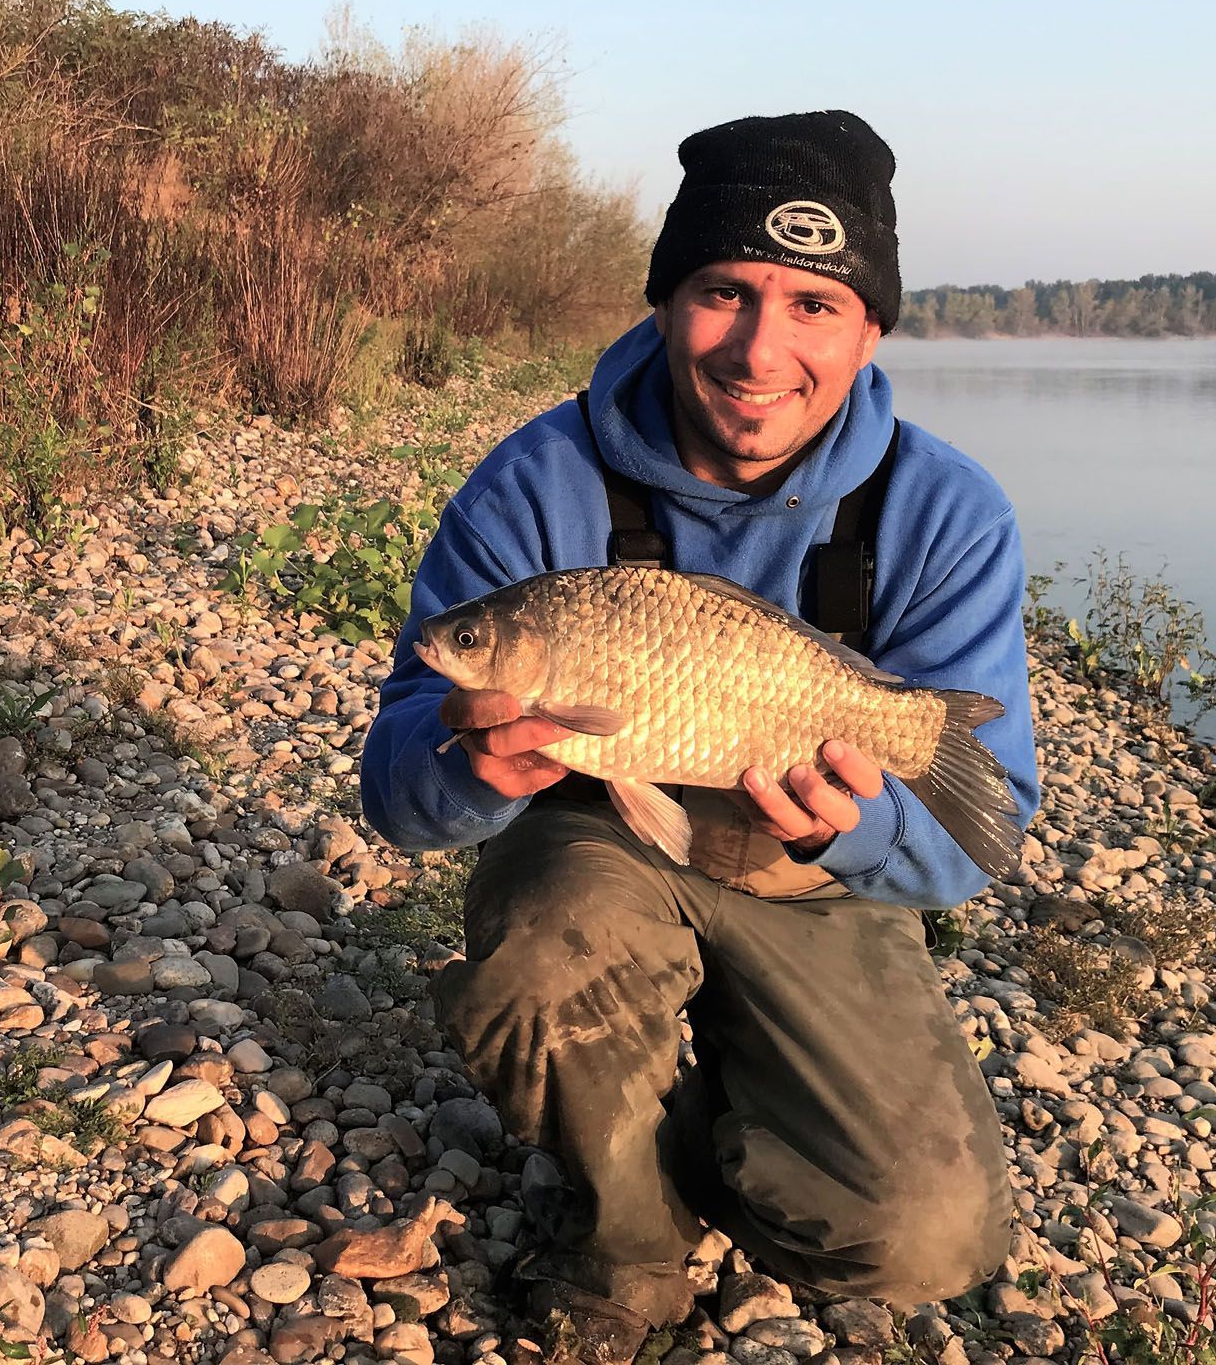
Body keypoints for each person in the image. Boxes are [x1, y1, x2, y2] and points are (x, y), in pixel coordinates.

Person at [363, 110, 1041, 1363]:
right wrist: (472, 765)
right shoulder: (536, 482)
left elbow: (974, 847)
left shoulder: (947, 511)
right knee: (539, 961)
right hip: (602, 849)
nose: (759, 347)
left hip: (812, 877)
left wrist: (867, 819)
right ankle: (631, 1239)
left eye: (813, 307)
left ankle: (718, 1097)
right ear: (669, 301)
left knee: (925, 1242)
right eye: (725, 292)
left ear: (871, 328)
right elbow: (398, 789)